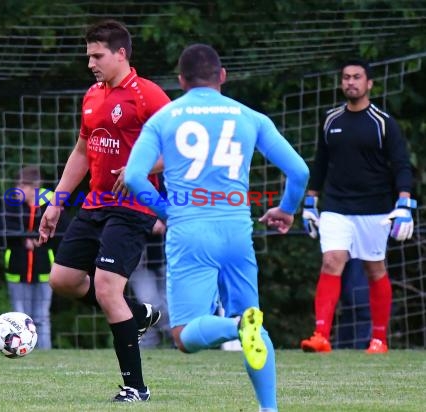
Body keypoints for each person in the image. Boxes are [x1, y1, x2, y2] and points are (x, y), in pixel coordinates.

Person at [124, 43, 309, 412]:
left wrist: (167, 211)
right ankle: (268, 408)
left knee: (184, 336)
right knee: (254, 322)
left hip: (191, 231)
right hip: (237, 230)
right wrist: (286, 210)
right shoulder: (249, 116)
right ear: (222, 76)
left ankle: (236, 326)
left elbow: (133, 176)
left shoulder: (165, 118)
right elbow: (300, 171)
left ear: (181, 81)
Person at [38, 20, 170, 402]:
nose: (91, 63)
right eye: (89, 56)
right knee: (62, 280)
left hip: (132, 207)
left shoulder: (148, 95)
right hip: (95, 203)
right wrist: (56, 202)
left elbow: (181, 147)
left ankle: (136, 388)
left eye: (97, 56)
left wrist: (141, 170)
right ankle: (137, 315)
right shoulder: (93, 95)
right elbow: (81, 152)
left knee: (107, 287)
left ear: (121, 54)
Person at [300, 58, 416, 354]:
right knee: (331, 261)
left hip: (375, 209)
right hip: (336, 207)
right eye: (346, 77)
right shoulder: (331, 120)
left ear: (369, 84)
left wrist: (404, 203)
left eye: (357, 77)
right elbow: (320, 163)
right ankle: (320, 336)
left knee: (374, 268)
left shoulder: (383, 123)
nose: (350, 82)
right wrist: (311, 201)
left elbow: (401, 164)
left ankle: (379, 340)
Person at [0, 165, 64, 350]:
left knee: (41, 316)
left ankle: (45, 354)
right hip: (17, 269)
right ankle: (22, 354)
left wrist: (41, 241)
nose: (19, 189)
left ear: (35, 186)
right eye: (18, 184)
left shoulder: (52, 203)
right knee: (19, 318)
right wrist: (22, 239)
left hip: (43, 269)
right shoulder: (11, 202)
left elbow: (63, 231)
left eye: (23, 185)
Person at [128, 234, 171, 348]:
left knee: (168, 303)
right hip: (137, 256)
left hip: (166, 253)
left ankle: (176, 338)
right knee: (150, 303)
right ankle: (172, 336)